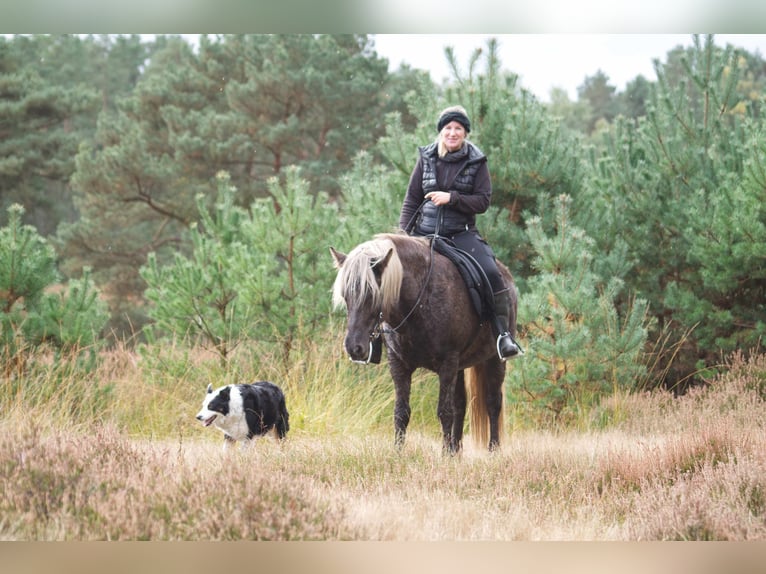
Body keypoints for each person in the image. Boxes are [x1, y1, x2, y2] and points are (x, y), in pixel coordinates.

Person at [399, 105, 521, 361]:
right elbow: (412, 199)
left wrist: (452, 198)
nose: (452, 133)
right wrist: (403, 234)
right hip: (424, 234)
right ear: (441, 131)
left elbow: (483, 202)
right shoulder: (426, 158)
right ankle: (379, 339)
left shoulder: (477, 161)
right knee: (389, 274)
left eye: (458, 128)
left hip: (460, 234)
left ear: (465, 133)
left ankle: (502, 336)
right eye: (448, 128)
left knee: (491, 273)